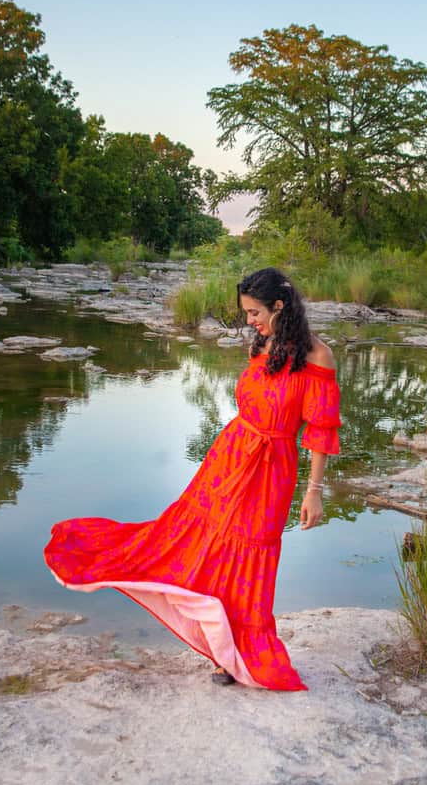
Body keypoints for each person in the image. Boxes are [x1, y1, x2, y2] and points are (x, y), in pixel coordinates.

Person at [43, 266, 342, 691]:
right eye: (246, 313)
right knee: (203, 546)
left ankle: (242, 651)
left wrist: (313, 492)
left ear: (280, 305)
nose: (250, 322)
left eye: (255, 312)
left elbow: (320, 431)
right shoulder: (263, 344)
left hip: (272, 469)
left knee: (250, 557)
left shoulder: (317, 357)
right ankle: (222, 650)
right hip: (230, 457)